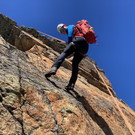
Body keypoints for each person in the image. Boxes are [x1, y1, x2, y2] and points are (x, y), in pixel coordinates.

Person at [45, 23, 89, 90]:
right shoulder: (79, 31)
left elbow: (70, 34)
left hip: (77, 40)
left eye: (61, 30)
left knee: (64, 53)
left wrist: (69, 43)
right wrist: (82, 54)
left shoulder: (70, 26)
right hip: (85, 46)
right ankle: (71, 84)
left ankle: (54, 68)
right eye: (61, 32)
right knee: (75, 64)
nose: (62, 32)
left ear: (63, 26)